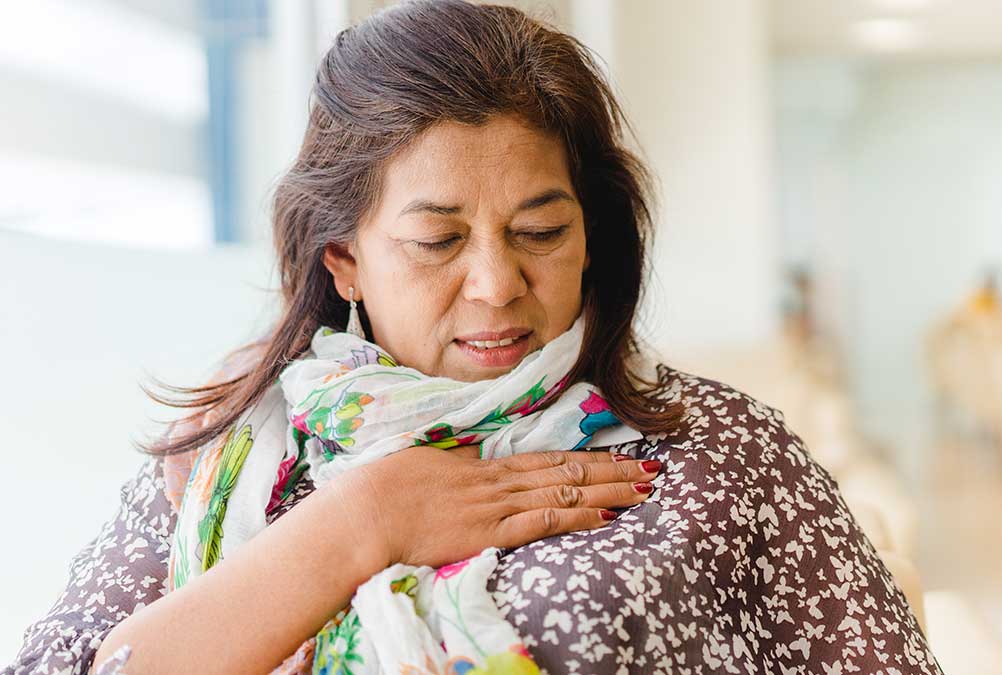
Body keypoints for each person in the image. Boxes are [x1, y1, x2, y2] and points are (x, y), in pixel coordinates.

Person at [4, 2, 942, 673]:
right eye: (437, 241)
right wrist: (361, 523)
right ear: (345, 260)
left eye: (541, 230)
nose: (497, 284)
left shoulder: (722, 451)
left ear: (592, 236)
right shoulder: (234, 452)